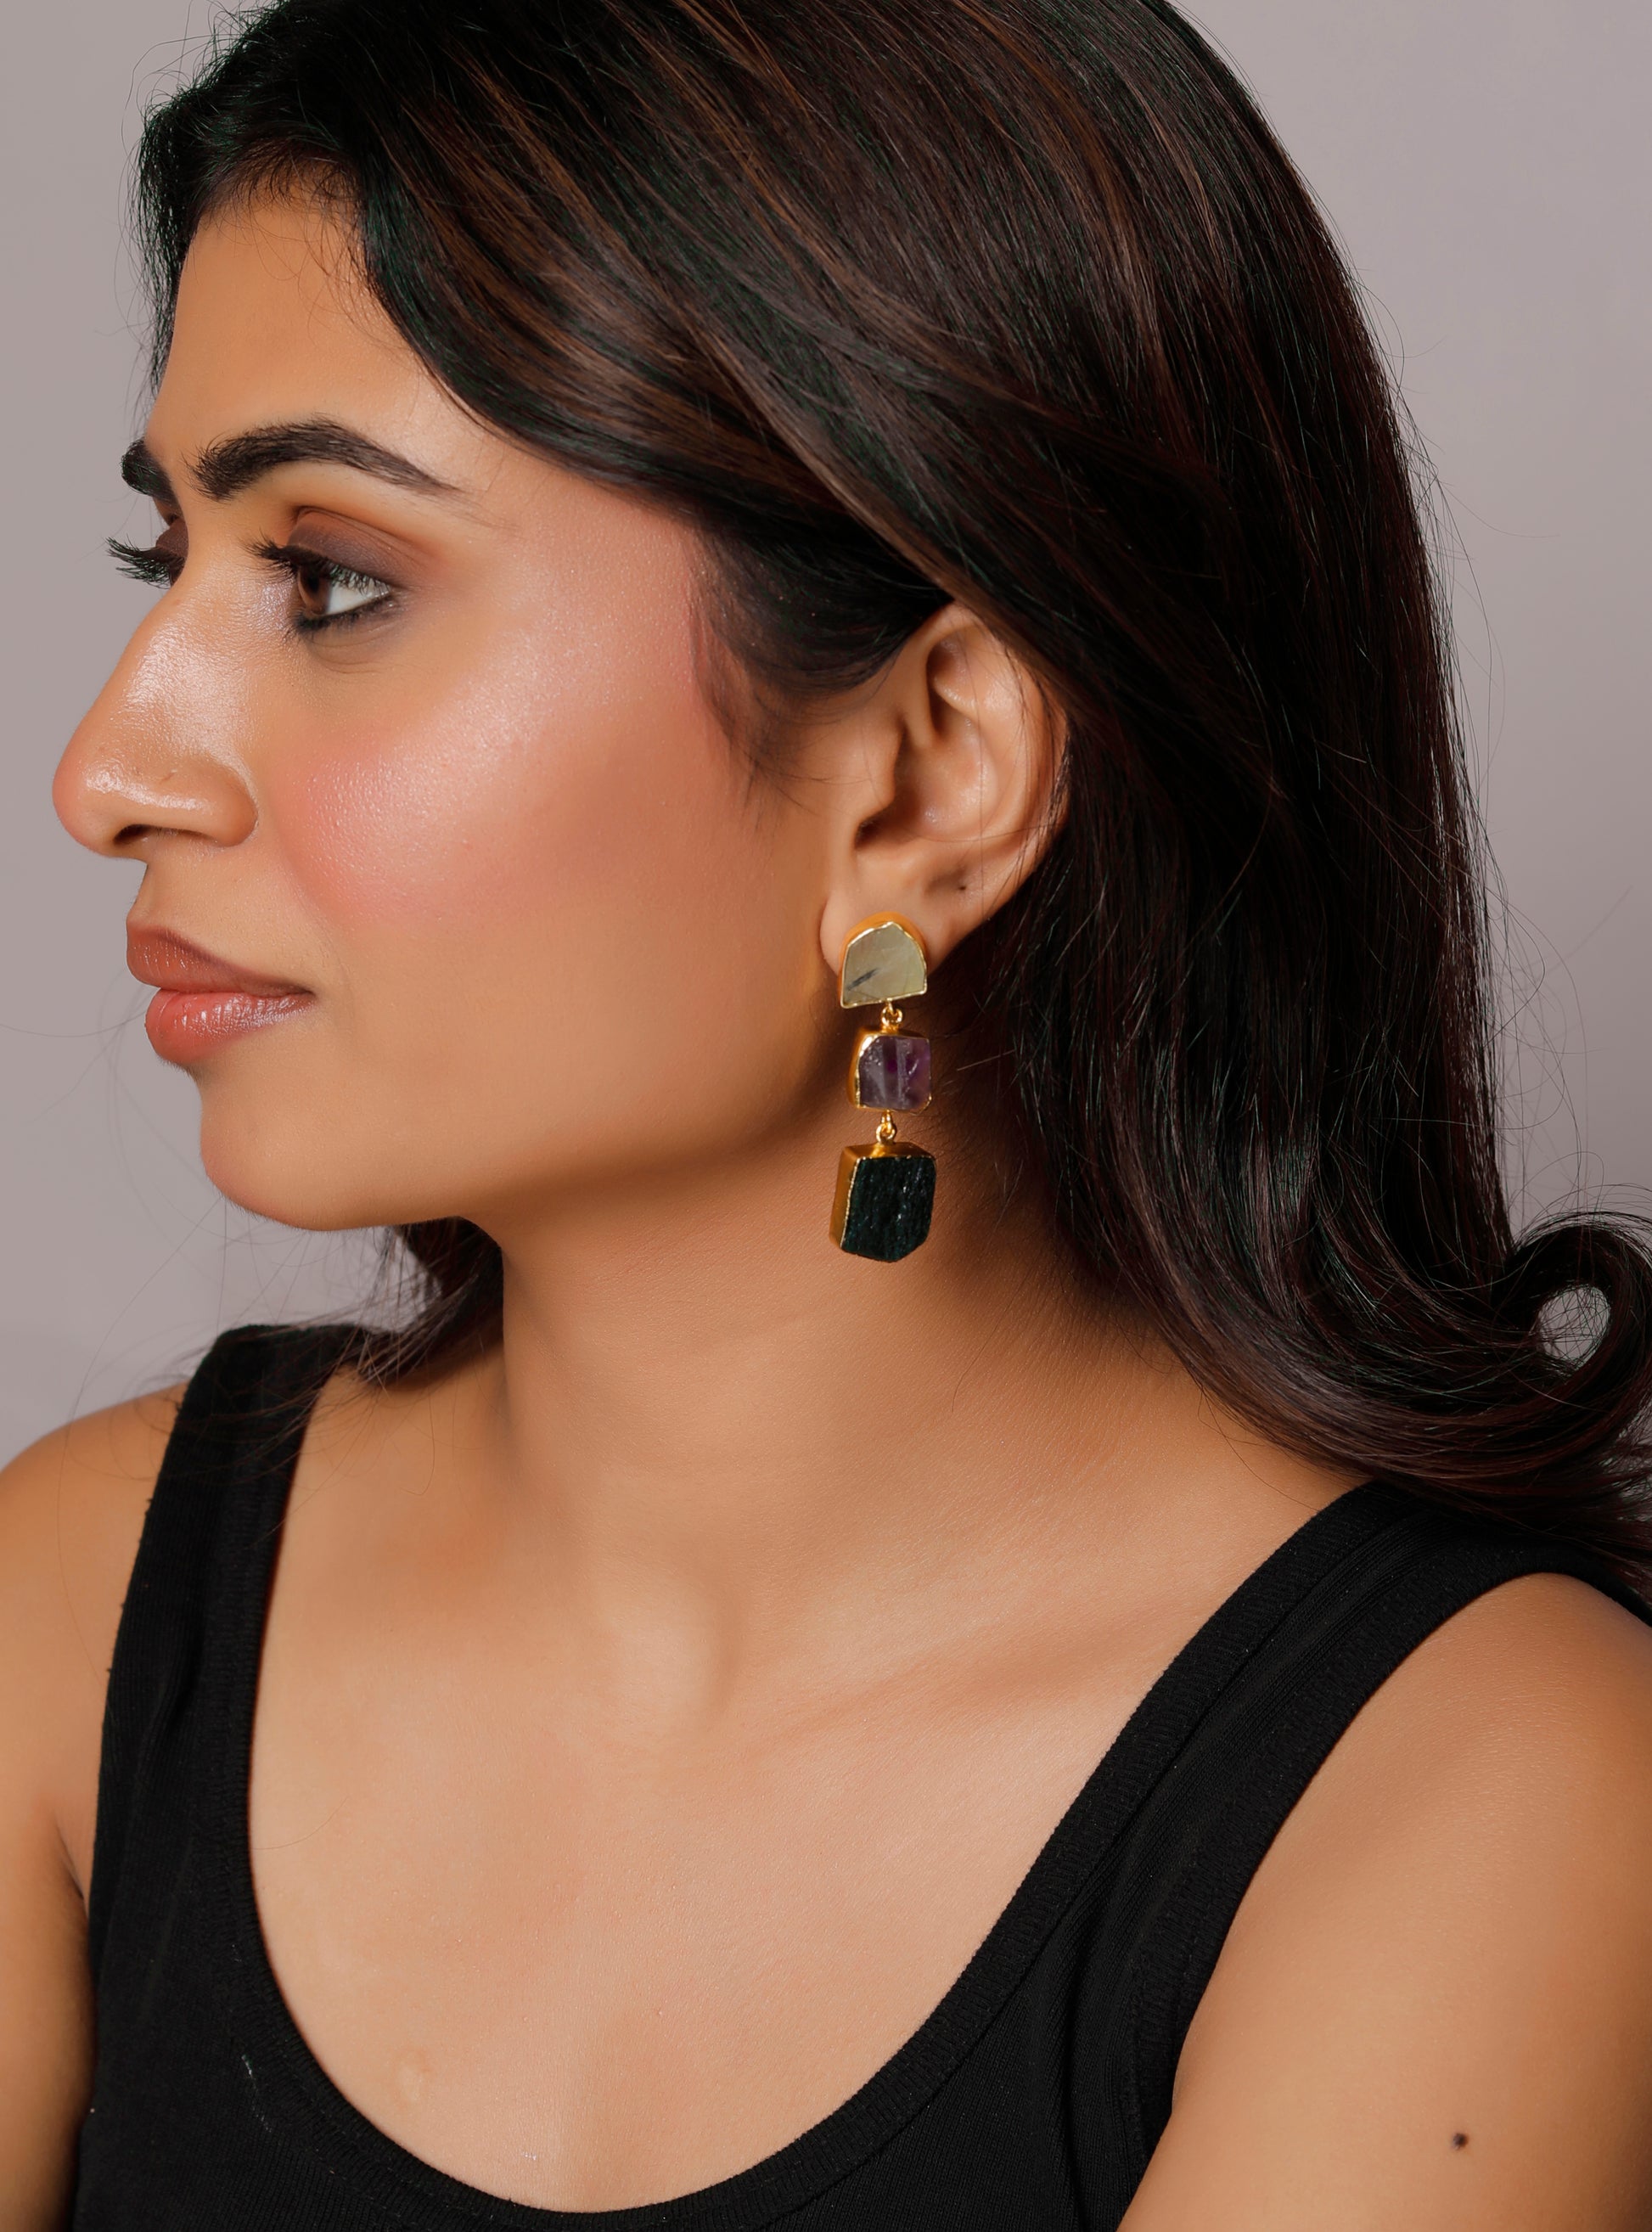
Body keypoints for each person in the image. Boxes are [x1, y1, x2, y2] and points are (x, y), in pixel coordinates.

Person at [7, 0, 1652, 2223]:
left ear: (932, 771)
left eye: (331, 582)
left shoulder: (1479, 1796)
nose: (109, 771)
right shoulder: (76, 1613)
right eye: (167, 566)